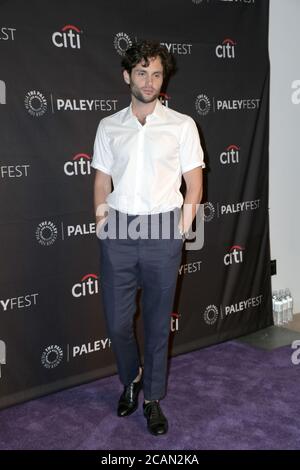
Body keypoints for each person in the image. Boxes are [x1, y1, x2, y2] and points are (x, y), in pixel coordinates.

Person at [91, 40, 205, 436]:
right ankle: (132, 377)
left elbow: (194, 184)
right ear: (127, 76)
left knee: (158, 323)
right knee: (117, 323)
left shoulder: (181, 125)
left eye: (156, 74)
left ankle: (152, 398)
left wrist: (180, 231)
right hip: (119, 229)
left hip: (163, 229)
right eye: (142, 73)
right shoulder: (109, 126)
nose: (150, 81)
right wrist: (103, 222)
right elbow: (102, 178)